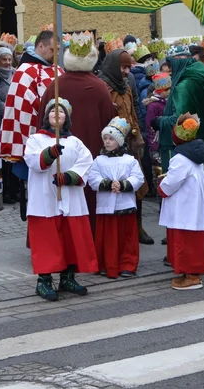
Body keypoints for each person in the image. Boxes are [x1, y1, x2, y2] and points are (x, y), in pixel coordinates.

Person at [159, 51, 204, 267]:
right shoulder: (200, 81)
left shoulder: (183, 87)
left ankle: (189, 261)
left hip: (188, 150)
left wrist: (159, 121)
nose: (170, 74)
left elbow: (182, 119)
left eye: (171, 69)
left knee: (189, 206)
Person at [24, 98, 99, 301]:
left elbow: (86, 162)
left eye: (61, 112)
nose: (57, 115)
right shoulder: (36, 139)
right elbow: (32, 160)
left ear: (67, 118)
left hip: (70, 198)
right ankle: (44, 280)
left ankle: (68, 277)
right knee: (48, 241)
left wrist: (69, 177)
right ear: (46, 116)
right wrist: (49, 154)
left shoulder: (75, 142)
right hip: (45, 199)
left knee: (70, 238)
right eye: (52, 111)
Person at [51, 32, 115, 223]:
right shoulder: (99, 87)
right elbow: (108, 125)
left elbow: (42, 123)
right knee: (86, 198)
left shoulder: (55, 85)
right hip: (89, 152)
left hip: (58, 153)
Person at [0, 29, 60, 220]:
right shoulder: (24, 72)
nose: (55, 54)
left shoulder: (57, 69)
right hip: (38, 139)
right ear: (40, 46)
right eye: (52, 49)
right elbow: (23, 111)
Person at [98, 48, 153, 244]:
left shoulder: (126, 86)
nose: (127, 71)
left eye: (129, 67)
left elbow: (132, 114)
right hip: (111, 148)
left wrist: (137, 134)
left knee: (137, 187)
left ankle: (138, 227)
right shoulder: (102, 88)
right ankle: (117, 234)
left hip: (129, 145)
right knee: (115, 190)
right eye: (123, 67)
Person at [158, 115, 204, 291]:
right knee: (192, 240)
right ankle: (189, 273)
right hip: (194, 206)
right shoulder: (194, 156)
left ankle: (192, 276)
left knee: (186, 242)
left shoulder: (181, 158)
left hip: (185, 207)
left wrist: (161, 188)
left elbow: (173, 181)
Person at [86, 117, 144, 279]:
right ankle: (106, 264)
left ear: (119, 141)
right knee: (107, 238)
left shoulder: (129, 160)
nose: (107, 141)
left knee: (127, 238)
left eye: (111, 139)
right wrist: (108, 184)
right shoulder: (99, 160)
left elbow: (138, 178)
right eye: (105, 138)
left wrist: (123, 185)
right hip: (106, 205)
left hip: (125, 204)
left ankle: (127, 264)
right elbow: (92, 178)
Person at [0, 39, 20, 205]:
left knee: (15, 156)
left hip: (16, 122)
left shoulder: (16, 74)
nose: (7, 63)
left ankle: (16, 190)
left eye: (9, 59)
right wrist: (9, 108)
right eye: (4, 59)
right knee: (4, 159)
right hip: (2, 122)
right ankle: (6, 191)